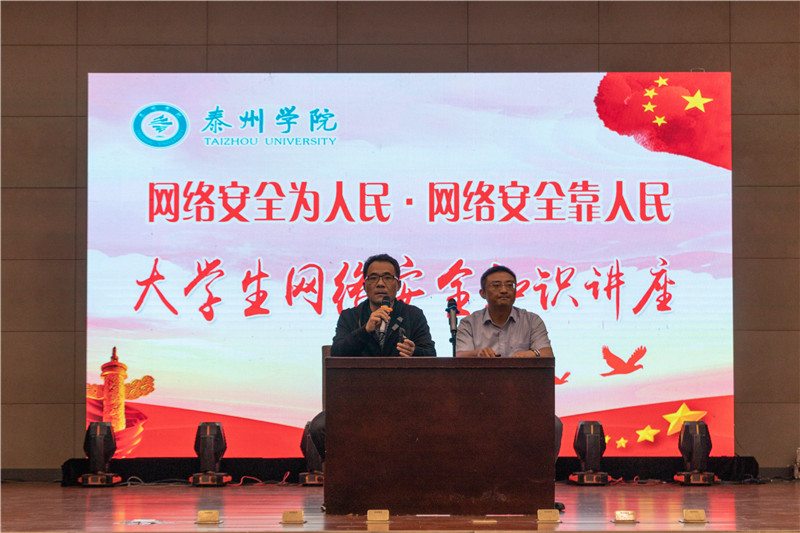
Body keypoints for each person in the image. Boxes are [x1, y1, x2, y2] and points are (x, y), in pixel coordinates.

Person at [308, 253, 436, 460]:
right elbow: (337, 354)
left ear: (398, 285)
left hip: (403, 401)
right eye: (373, 278)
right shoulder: (350, 316)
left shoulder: (413, 315)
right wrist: (365, 330)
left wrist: (414, 352)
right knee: (319, 427)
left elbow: (431, 356)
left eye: (387, 278)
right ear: (364, 285)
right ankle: (348, 473)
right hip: (358, 400)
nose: (380, 283)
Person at [455, 265, 563, 458]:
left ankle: (543, 475)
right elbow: (460, 356)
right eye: (496, 285)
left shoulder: (531, 320)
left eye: (510, 285)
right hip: (480, 399)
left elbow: (547, 353)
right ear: (482, 293)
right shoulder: (469, 323)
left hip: (522, 399)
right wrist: (478, 353)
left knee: (554, 424)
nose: (504, 290)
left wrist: (531, 353)